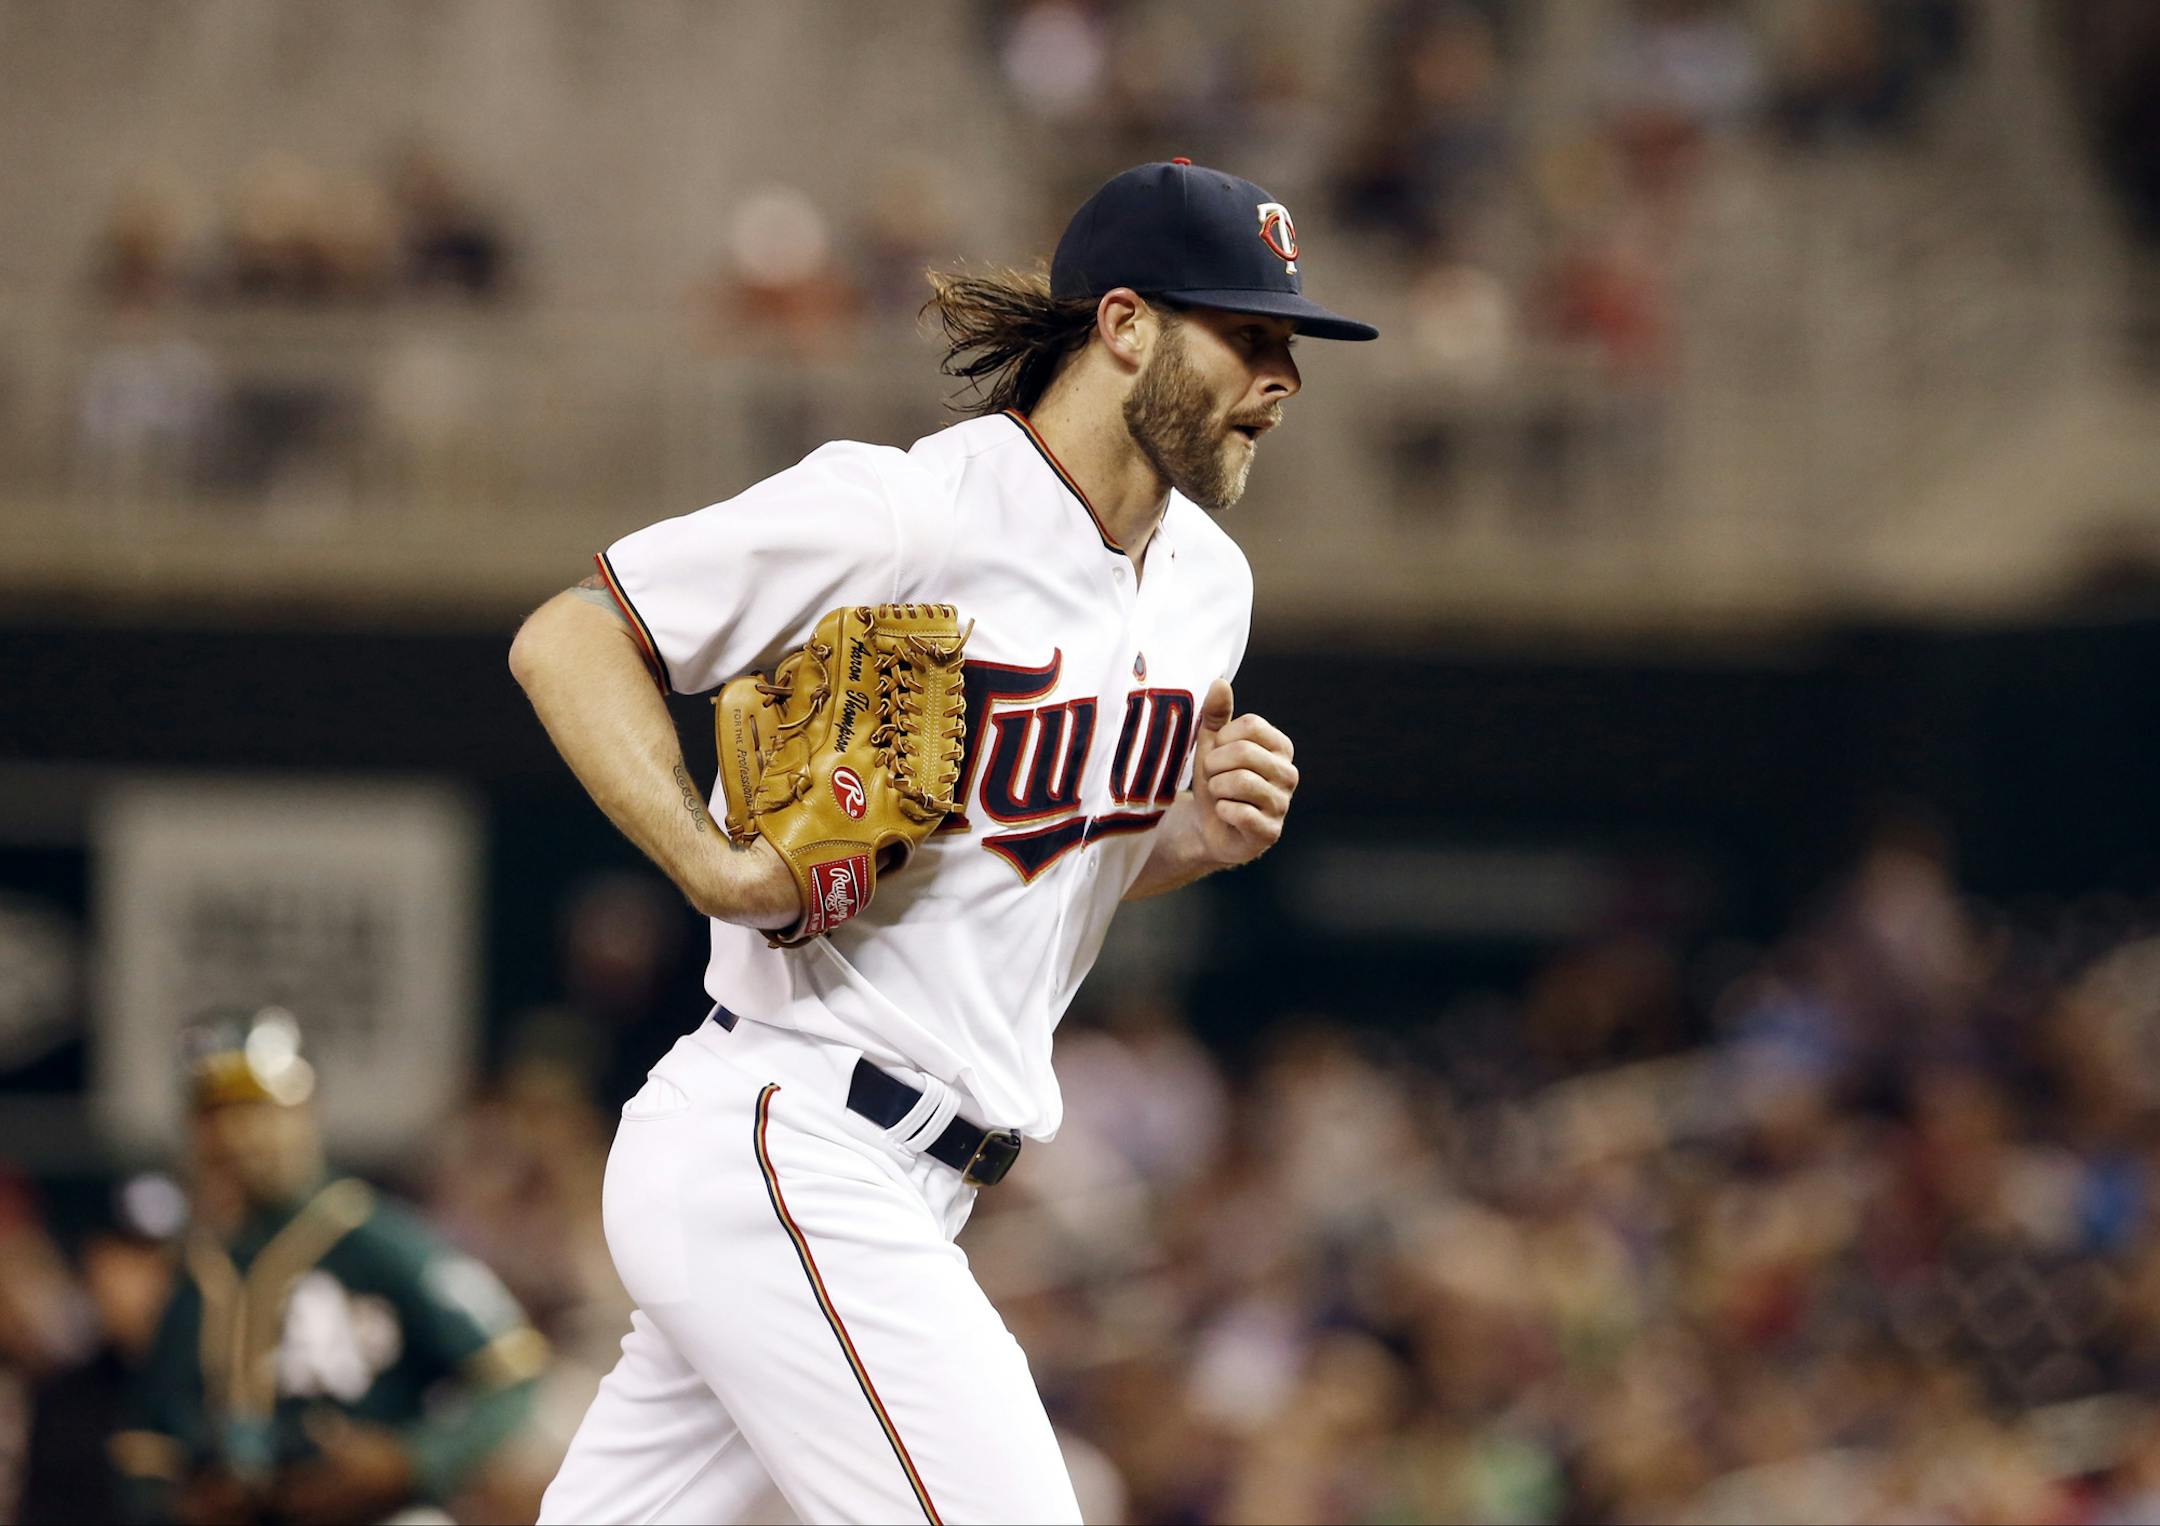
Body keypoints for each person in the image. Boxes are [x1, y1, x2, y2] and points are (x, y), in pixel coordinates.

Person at [511, 159, 1377, 1524]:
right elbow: (569, 635)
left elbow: (1029, 871)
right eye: (1251, 336)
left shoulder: (1213, 584)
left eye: (1289, 344)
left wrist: (1180, 838)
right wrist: (715, 864)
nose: (1285, 376)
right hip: (793, 1136)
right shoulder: (914, 510)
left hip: (900, 1185)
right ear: (1127, 325)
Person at [109, 1008, 546, 1525]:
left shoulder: (376, 1239)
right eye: (218, 1114)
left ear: (307, 1113)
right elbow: (151, 1432)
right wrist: (170, 1504)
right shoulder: (200, 1266)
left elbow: (513, 1371)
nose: (240, 1133)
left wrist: (414, 1460)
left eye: (262, 1109)